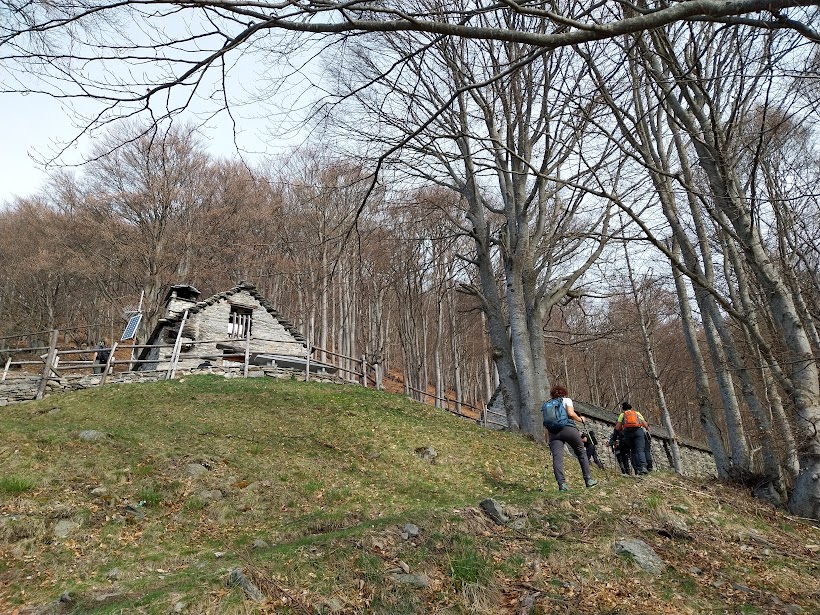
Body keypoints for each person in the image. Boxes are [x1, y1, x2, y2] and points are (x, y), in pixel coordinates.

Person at [544, 384, 598, 491]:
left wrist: (548, 439)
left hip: (554, 433)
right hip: (568, 429)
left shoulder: (548, 405)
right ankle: (588, 479)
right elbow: (571, 413)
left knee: (557, 458)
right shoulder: (566, 400)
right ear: (564, 393)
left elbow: (546, 424)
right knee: (581, 452)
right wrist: (580, 419)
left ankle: (562, 485)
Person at [615, 401, 650, 475]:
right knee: (640, 450)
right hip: (638, 431)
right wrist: (647, 428)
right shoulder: (637, 413)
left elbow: (617, 427)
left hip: (627, 433)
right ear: (631, 407)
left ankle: (637, 469)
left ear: (623, 408)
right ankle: (643, 467)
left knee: (633, 450)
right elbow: (645, 424)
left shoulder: (622, 415)